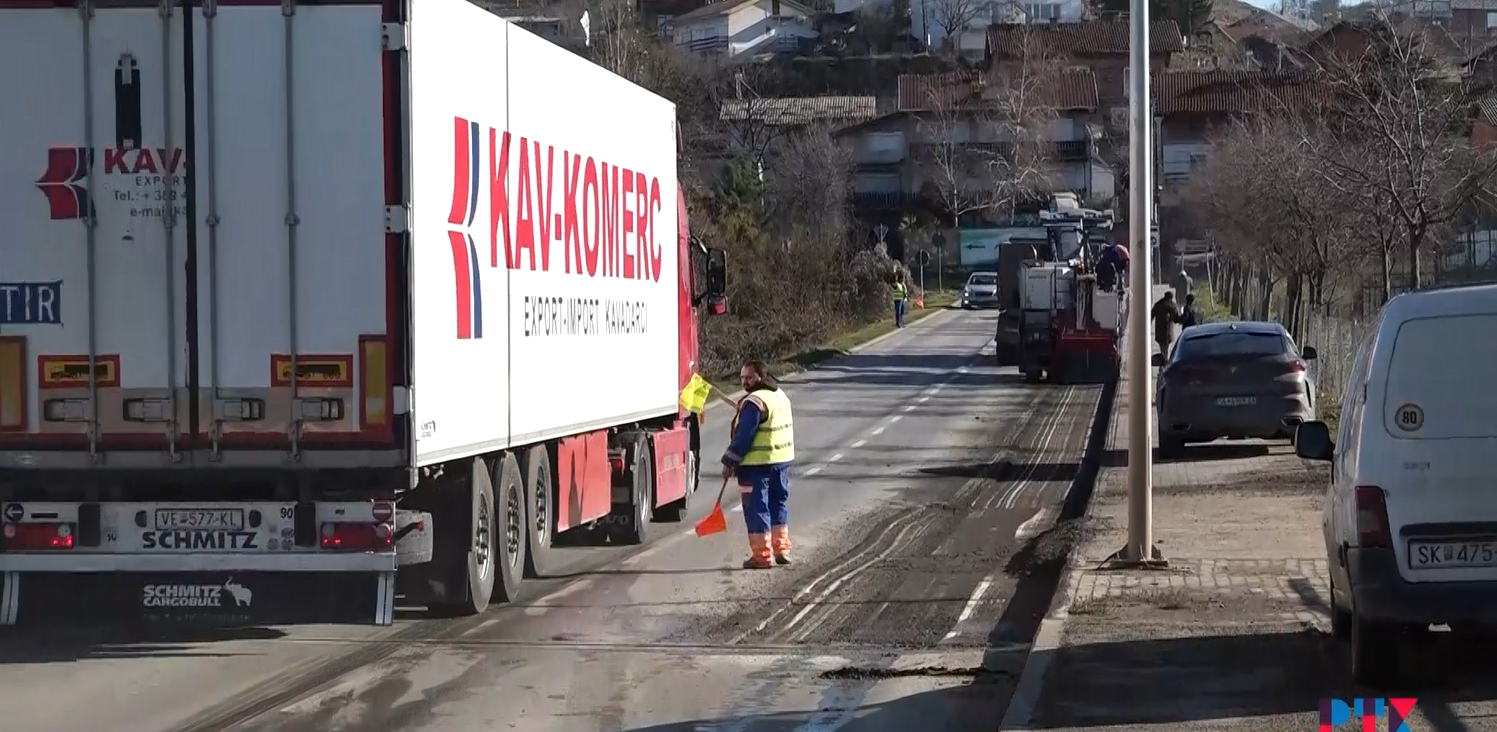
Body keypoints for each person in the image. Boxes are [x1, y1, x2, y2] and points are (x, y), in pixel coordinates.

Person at [721, 361, 796, 569]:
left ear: (760, 377)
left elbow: (744, 437)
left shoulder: (754, 402)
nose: (745, 381)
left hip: (756, 466)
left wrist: (729, 461)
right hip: (780, 461)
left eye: (749, 377)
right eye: (742, 377)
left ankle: (763, 556)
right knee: (778, 504)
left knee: (757, 509)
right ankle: (781, 549)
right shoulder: (779, 395)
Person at [1151, 290, 1181, 362]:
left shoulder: (1158, 304)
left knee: (1163, 348)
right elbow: (1176, 318)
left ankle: (1164, 362)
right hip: (1168, 332)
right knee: (1167, 349)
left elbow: (1151, 315)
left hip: (1159, 332)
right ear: (1171, 297)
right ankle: (1166, 362)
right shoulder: (1172, 305)